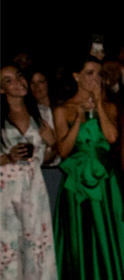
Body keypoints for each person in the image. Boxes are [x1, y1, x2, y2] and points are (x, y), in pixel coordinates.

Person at [53, 56, 124, 280]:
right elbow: (63, 151)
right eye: (89, 73)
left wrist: (98, 104)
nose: (95, 78)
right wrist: (77, 119)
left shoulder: (109, 106)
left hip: (105, 183)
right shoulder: (62, 109)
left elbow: (112, 138)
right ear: (77, 76)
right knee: (79, 243)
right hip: (76, 186)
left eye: (99, 74)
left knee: (115, 238)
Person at [1, 65, 60, 280]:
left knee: (38, 252)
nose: (17, 84)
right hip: (4, 192)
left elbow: (50, 158)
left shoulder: (41, 114)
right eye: (8, 81)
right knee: (5, 256)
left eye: (19, 77)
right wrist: (6, 157)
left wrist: (51, 146)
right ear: (2, 88)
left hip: (34, 189)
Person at [28, 67, 64, 216]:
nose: (37, 87)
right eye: (32, 83)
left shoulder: (63, 109)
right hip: (42, 174)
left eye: (41, 82)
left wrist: (55, 143)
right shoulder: (28, 114)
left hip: (65, 171)